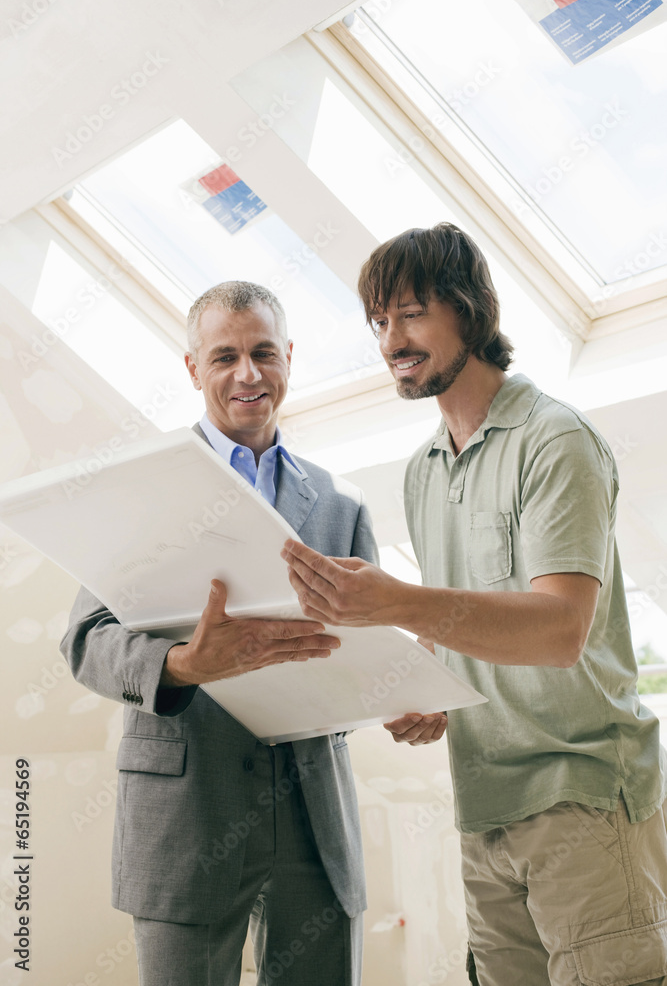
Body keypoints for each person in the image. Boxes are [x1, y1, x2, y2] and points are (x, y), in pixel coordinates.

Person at [281, 224, 667, 986]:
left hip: (581, 795)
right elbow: (465, 618)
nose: (392, 338)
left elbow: (559, 631)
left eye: (412, 313)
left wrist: (397, 600)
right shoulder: (423, 469)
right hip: (484, 802)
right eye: (380, 321)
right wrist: (433, 689)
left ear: (470, 310)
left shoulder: (554, 440)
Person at [60, 280, 379, 986]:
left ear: (289, 358)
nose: (248, 374)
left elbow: (365, 651)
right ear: (192, 367)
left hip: (312, 813)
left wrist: (394, 696)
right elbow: (85, 642)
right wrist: (180, 663)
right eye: (225, 356)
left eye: (264, 352)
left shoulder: (340, 503)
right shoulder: (144, 491)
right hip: (188, 809)